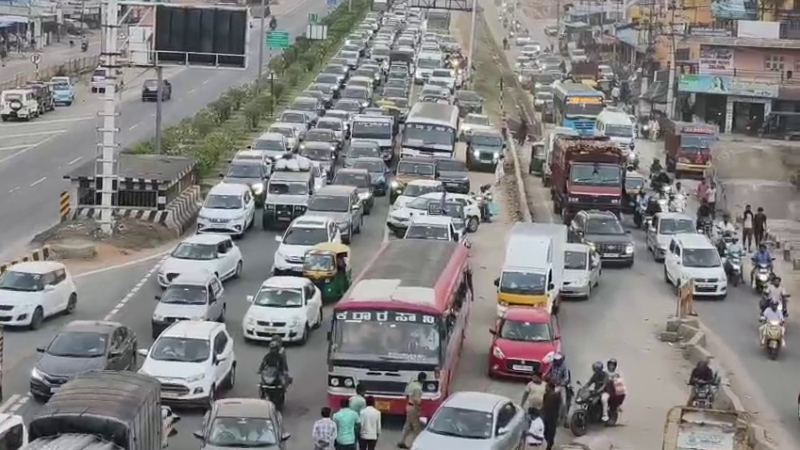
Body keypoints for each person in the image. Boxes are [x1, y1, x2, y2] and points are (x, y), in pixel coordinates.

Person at [397, 372, 425, 449]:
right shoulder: (418, 388)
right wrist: (419, 410)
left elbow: (407, 395)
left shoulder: (412, 384)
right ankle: (414, 444)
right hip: (413, 408)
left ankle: (402, 441)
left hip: (408, 405)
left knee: (407, 425)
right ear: (423, 379)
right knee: (416, 428)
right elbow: (416, 400)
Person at [545, 353, 570, 425]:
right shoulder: (552, 365)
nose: (555, 361)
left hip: (559, 385)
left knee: (564, 403)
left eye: (557, 360)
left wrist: (560, 383)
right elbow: (546, 373)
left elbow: (566, 378)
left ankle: (565, 419)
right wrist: (547, 377)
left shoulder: (564, 367)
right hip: (551, 384)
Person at [541, 383, 561, 450]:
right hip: (546, 416)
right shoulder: (546, 395)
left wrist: (559, 418)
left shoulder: (557, 397)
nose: (545, 388)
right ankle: (546, 444)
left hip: (553, 417)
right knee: (545, 431)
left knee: (551, 433)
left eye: (547, 387)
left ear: (550, 388)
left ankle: (549, 446)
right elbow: (544, 405)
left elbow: (560, 407)